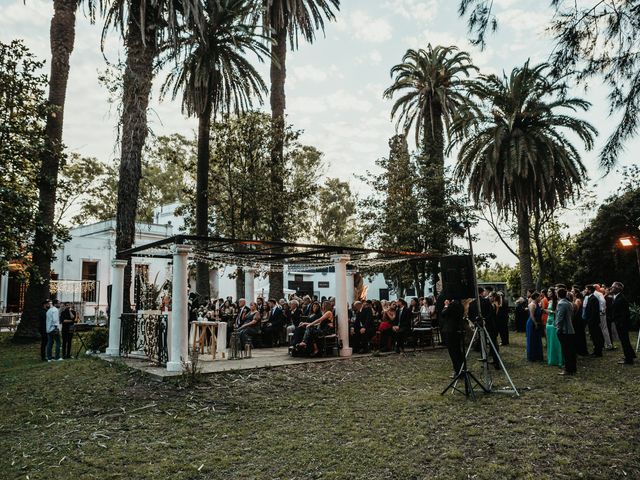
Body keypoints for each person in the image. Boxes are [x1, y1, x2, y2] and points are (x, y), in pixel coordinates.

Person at [609, 281, 636, 365]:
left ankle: (629, 360)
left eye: (613, 287)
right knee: (625, 340)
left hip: (622, 324)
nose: (611, 288)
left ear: (618, 289)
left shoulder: (621, 298)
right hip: (620, 323)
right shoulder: (616, 297)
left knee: (625, 341)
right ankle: (630, 355)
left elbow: (625, 313)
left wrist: (620, 323)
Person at [440, 297, 466, 376]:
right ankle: (462, 369)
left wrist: (446, 305)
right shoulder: (460, 305)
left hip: (450, 331)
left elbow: (443, 313)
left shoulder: (452, 305)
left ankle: (458, 370)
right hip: (457, 329)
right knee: (458, 351)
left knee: (453, 352)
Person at [555, 287, 576, 375]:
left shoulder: (561, 303)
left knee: (566, 351)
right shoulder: (569, 303)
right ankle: (573, 368)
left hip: (565, 331)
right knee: (571, 351)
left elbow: (560, 318)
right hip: (570, 329)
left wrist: (558, 329)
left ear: (558, 294)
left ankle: (568, 369)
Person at [584, 285, 604, 357]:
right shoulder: (590, 298)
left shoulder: (593, 299)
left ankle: (598, 352)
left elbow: (594, 312)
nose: (584, 291)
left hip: (593, 322)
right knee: (594, 337)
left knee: (596, 337)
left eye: (586, 289)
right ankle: (596, 351)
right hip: (591, 321)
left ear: (589, 290)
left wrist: (590, 321)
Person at [545, 288, 563, 367]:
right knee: (549, 341)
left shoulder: (558, 302)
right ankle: (551, 359)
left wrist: (549, 311)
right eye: (548, 291)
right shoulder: (549, 301)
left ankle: (558, 359)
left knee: (555, 341)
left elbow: (557, 312)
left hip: (553, 322)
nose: (548, 293)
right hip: (548, 322)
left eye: (549, 291)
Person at [526, 292, 544, 362]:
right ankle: (532, 356)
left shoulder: (537, 304)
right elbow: (532, 315)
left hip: (538, 323)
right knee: (532, 339)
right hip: (532, 323)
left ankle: (538, 355)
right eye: (539, 297)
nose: (540, 298)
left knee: (537, 339)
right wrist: (535, 324)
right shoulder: (532, 305)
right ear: (536, 297)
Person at [571, 290, 589, 356]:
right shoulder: (576, 299)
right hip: (577, 319)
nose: (571, 292)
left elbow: (576, 311)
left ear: (576, 293)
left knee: (579, 335)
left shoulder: (577, 300)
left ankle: (581, 350)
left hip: (578, 319)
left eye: (572, 291)